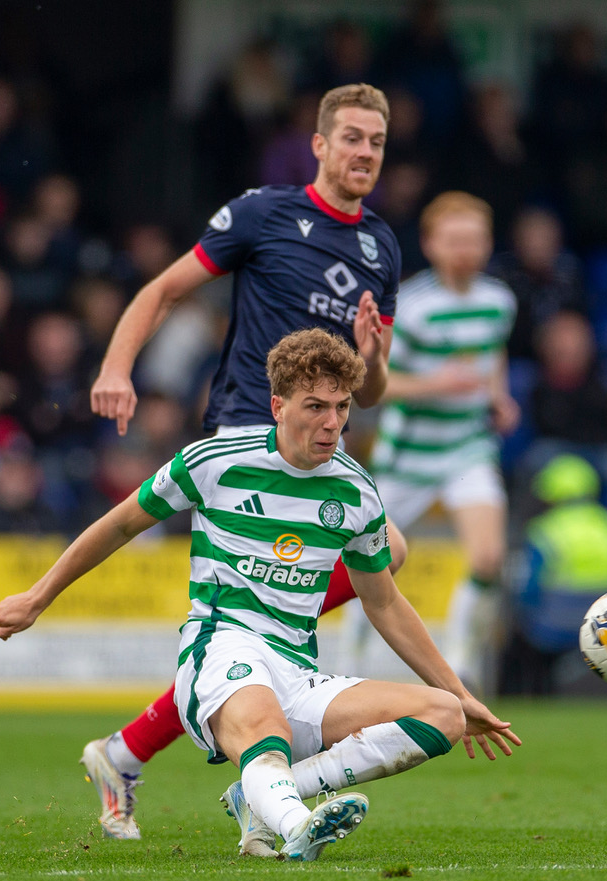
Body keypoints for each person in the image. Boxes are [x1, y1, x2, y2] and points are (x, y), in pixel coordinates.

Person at [0, 329, 520, 861]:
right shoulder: (213, 462)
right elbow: (119, 525)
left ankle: (268, 791)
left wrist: (461, 691)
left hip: (298, 670)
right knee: (265, 728)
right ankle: (297, 826)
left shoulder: (356, 490)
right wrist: (38, 597)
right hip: (221, 648)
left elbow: (383, 603)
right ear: (278, 405)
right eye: (315, 406)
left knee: (444, 715)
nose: (332, 422)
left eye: (341, 407)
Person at [83, 83, 407, 840]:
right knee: (356, 568)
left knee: (382, 552)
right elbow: (163, 288)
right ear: (320, 145)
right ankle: (253, 803)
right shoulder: (264, 212)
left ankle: (130, 750)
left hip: (321, 445)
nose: (364, 152)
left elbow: (377, 388)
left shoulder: (382, 246)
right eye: (351, 138)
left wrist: (374, 357)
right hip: (245, 440)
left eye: (377, 142)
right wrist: (115, 366)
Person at [351, 192, 518, 690]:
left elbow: (492, 356)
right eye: (455, 240)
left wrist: (499, 397)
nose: (466, 250)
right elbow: (374, 383)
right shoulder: (414, 307)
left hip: (468, 448)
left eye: (475, 240)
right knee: (373, 566)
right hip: (407, 458)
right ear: (431, 244)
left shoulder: (498, 301)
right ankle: (349, 664)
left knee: (488, 557)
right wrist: (436, 384)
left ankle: (459, 662)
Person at [501, 454, 607, 695]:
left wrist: (521, 613)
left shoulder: (545, 528)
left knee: (516, 648)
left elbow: (529, 588)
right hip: (606, 628)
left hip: (551, 626)